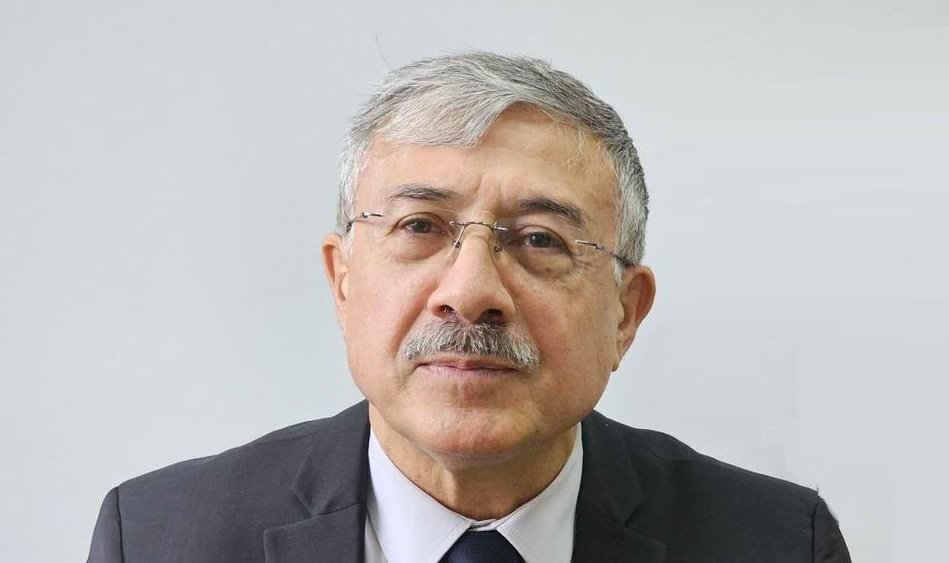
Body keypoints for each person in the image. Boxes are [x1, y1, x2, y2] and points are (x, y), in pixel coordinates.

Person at [87, 52, 851, 563]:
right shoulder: (159, 537)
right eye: (420, 226)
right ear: (343, 279)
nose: (470, 290)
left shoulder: (777, 543)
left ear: (624, 312)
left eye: (540, 240)